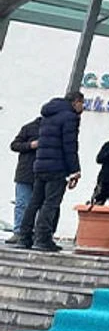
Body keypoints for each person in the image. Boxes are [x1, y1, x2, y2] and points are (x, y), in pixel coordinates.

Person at [15, 92, 85, 252]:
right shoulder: (70, 117)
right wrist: (75, 170)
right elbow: (70, 145)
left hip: (40, 165)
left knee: (34, 202)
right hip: (57, 166)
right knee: (51, 203)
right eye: (82, 103)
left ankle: (24, 237)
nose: (83, 107)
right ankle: (42, 238)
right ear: (76, 102)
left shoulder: (48, 115)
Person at [7, 116, 40, 239]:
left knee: (39, 206)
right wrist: (30, 145)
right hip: (25, 173)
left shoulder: (56, 130)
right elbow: (14, 145)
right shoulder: (29, 128)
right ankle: (19, 232)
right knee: (22, 203)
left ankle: (35, 233)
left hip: (42, 174)